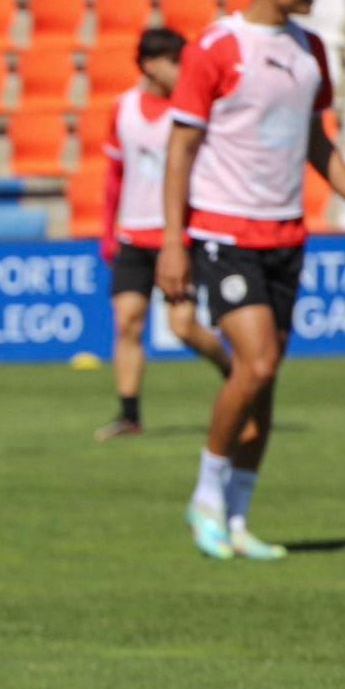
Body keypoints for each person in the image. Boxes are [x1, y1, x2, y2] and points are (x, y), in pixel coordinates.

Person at [161, 0, 345, 560]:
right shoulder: (216, 48)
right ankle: (205, 497)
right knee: (257, 361)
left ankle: (237, 520)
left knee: (264, 380)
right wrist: (174, 241)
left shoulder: (310, 51)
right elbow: (180, 148)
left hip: (286, 234)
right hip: (223, 230)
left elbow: (318, 144)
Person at [94, 28, 232, 442]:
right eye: (175, 62)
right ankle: (129, 413)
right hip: (133, 236)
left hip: (177, 236)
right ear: (151, 64)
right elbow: (115, 176)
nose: (181, 71)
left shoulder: (191, 110)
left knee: (183, 327)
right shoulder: (123, 108)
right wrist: (107, 231)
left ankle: (232, 372)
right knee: (127, 322)